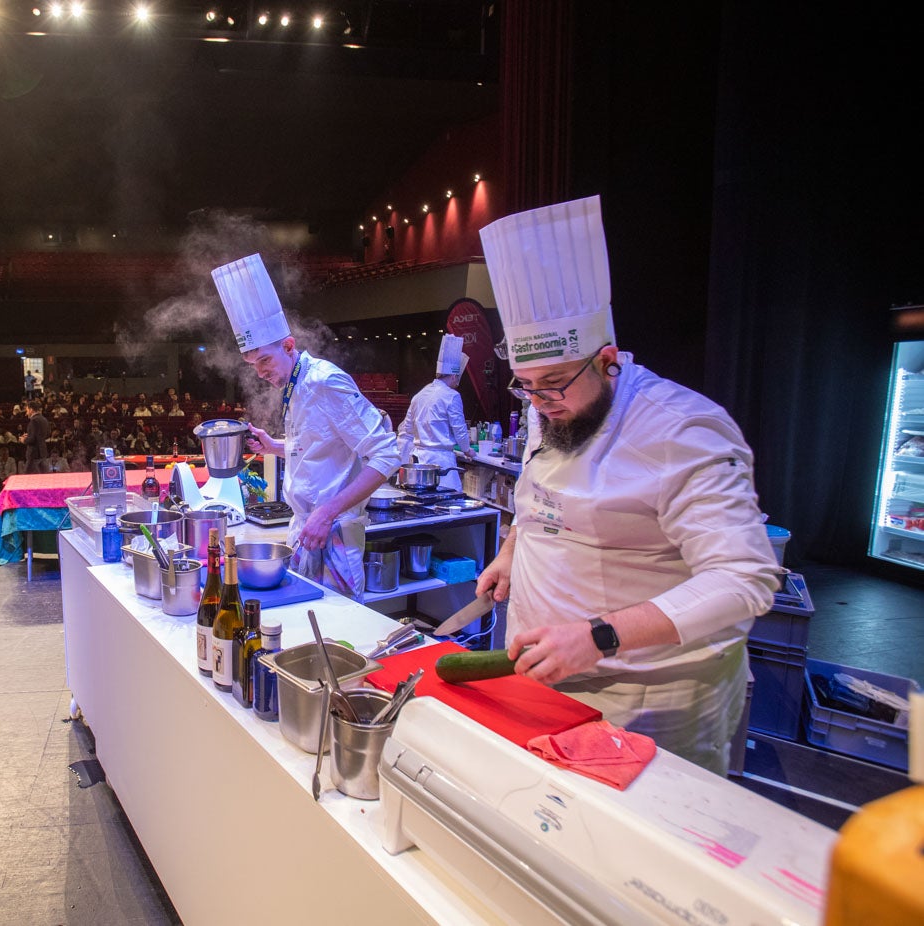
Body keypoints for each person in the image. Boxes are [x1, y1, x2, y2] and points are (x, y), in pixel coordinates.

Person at [474, 195, 781, 776]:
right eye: (526, 386)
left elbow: (745, 579)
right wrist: (513, 550)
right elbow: (542, 493)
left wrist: (599, 636)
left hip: (647, 700)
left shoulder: (683, 430)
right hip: (547, 681)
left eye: (555, 383)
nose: (541, 403)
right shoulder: (553, 404)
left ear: (608, 359)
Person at [215, 253, 400, 599]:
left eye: (265, 360)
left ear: (288, 345)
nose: (260, 372)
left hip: (334, 533)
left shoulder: (324, 382)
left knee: (336, 639)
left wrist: (327, 512)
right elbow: (318, 447)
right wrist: (275, 446)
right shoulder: (294, 385)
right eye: (253, 364)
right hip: (306, 529)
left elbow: (387, 455)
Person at [396, 334, 470, 492]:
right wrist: (467, 450)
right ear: (453, 376)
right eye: (458, 378)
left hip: (418, 462)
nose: (458, 382)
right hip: (441, 463)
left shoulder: (420, 394)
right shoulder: (452, 396)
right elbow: (460, 429)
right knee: (446, 505)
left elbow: (406, 429)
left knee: (421, 502)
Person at [22, 399, 51, 473]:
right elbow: (47, 434)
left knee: (27, 477)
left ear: (31, 410)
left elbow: (32, 439)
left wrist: (24, 440)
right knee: (44, 476)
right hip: (42, 452)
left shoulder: (33, 421)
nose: (26, 413)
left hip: (34, 454)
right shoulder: (44, 419)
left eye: (27, 410)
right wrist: (30, 435)